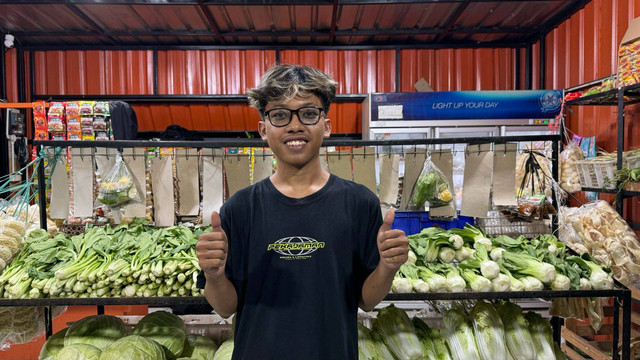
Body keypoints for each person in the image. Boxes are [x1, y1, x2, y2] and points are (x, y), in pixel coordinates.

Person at [196, 64, 409, 360]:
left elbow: (366, 300)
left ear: (326, 125)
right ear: (263, 130)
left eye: (308, 113)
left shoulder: (359, 203)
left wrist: (388, 266)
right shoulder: (240, 209)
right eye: (280, 115)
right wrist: (215, 275)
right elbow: (225, 307)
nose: (295, 126)